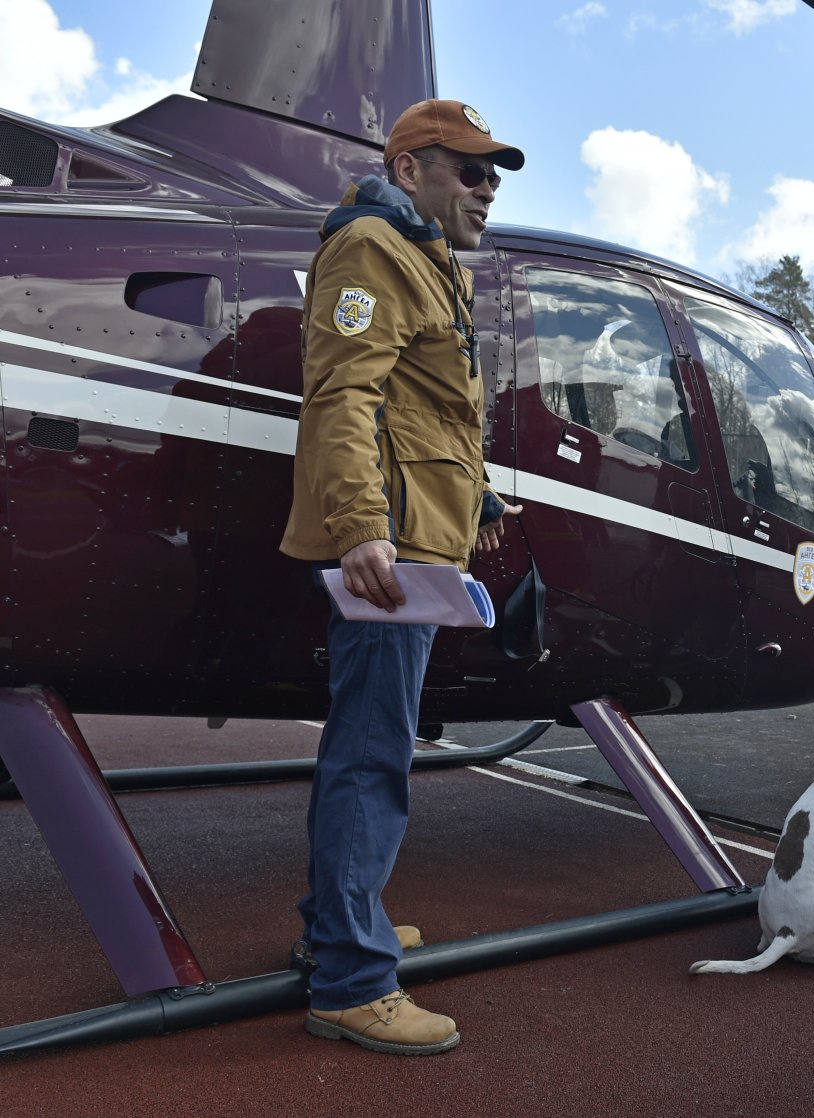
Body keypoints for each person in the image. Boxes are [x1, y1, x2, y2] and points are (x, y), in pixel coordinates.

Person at [279, 98, 524, 1055]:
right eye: (469, 170)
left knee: (373, 743)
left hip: (424, 534)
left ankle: (339, 924)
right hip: (393, 553)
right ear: (411, 166)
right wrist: (362, 530)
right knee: (373, 754)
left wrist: (480, 505)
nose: (488, 186)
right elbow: (343, 394)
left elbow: (427, 414)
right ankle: (350, 978)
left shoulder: (426, 258)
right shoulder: (375, 248)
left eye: (493, 171)